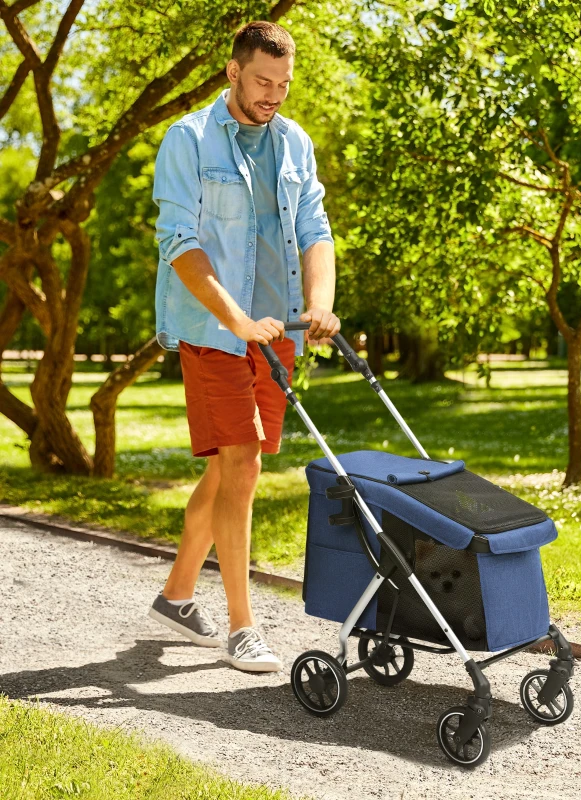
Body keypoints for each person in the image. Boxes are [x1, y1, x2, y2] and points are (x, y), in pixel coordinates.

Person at [148, 20, 340, 672]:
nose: (274, 95)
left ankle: (177, 595)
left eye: (284, 85)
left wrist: (318, 304)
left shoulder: (293, 144)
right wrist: (233, 320)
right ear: (233, 71)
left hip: (276, 332)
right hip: (213, 331)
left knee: (231, 465)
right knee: (244, 466)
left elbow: (315, 228)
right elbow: (180, 243)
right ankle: (242, 625)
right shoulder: (189, 140)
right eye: (263, 81)